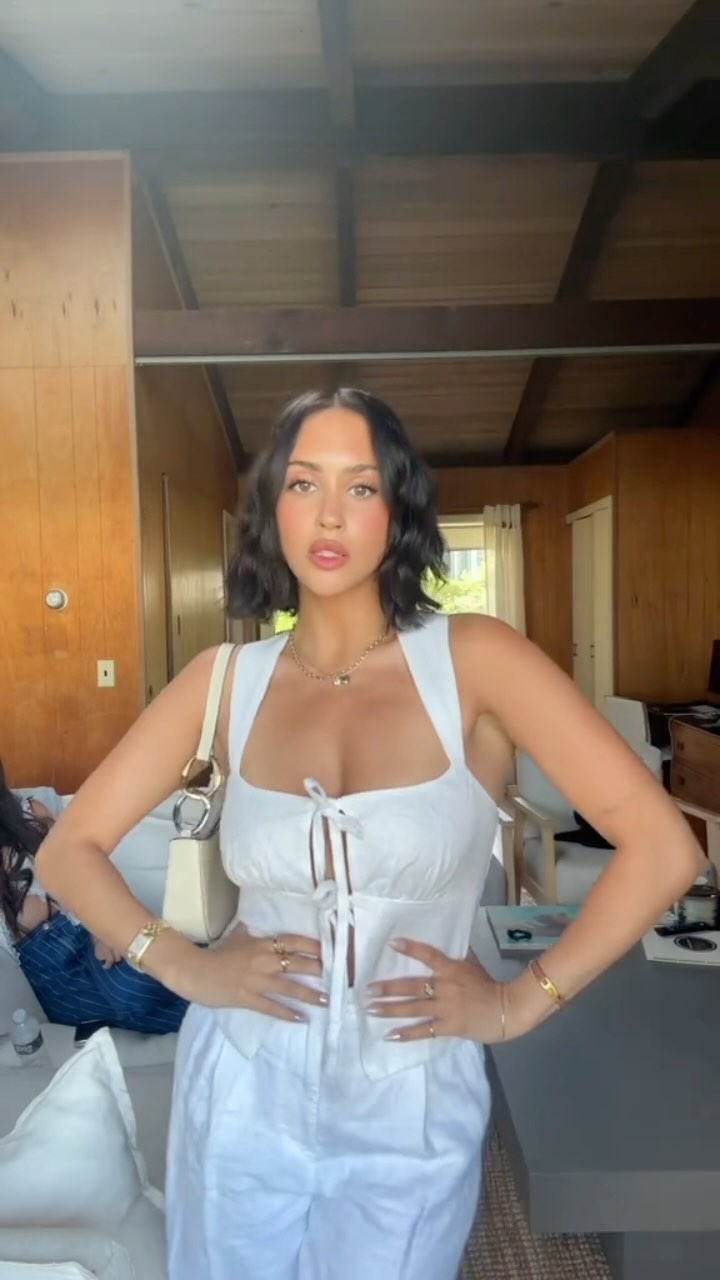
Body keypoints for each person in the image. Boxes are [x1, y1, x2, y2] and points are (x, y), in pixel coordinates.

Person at [36, 389, 703, 1279]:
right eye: (303, 483)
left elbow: (665, 849)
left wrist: (520, 1001)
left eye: (360, 486)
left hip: (411, 1108)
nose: (329, 514)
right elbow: (67, 850)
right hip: (239, 1099)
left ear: (398, 509)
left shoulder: (477, 659)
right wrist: (186, 966)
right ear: (273, 509)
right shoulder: (223, 680)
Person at [0, 764, 187, 1035]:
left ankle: (222, 1006)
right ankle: (218, 1011)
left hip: (84, 930)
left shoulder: (30, 812)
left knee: (144, 976)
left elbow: (79, 877)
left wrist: (100, 931)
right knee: (132, 991)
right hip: (53, 973)